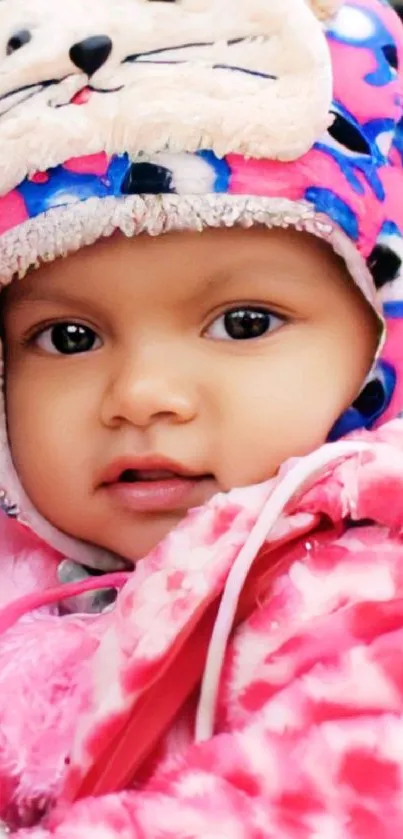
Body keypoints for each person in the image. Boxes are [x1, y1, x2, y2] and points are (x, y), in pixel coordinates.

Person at [0, 0, 403, 835]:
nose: (143, 394)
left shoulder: (360, 596)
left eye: (244, 322)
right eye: (67, 337)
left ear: (379, 340)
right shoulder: (22, 579)